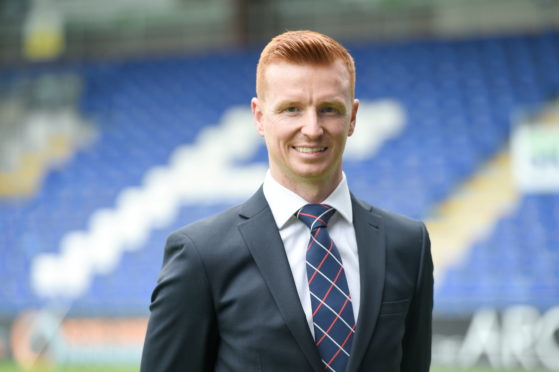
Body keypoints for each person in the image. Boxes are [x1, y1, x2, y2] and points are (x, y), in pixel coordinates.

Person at [140, 30, 433, 372]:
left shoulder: (408, 245)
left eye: (329, 109)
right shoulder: (200, 257)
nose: (312, 128)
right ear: (260, 117)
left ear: (352, 117)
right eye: (291, 109)